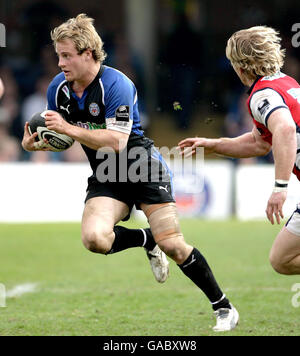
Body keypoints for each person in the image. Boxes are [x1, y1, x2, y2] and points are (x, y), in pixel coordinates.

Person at [21, 14, 238, 332]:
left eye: (66, 55)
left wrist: (67, 128)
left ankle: (223, 307)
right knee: (94, 238)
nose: (60, 63)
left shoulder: (117, 84)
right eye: (58, 55)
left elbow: (118, 141)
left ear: (88, 54)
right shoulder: (58, 89)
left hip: (142, 167)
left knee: (174, 245)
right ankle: (145, 239)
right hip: (107, 174)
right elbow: (62, 137)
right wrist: (36, 143)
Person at [178, 26, 300, 276]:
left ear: (241, 67)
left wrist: (280, 188)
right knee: (281, 257)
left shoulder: (262, 94)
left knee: (282, 259)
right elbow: (259, 143)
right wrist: (214, 144)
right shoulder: (285, 83)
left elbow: (286, 130)